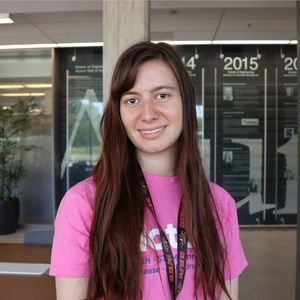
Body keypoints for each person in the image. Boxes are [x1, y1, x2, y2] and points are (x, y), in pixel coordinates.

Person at [50, 41, 248, 300]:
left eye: (162, 95)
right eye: (132, 100)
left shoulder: (219, 204)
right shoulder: (83, 204)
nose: (148, 113)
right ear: (118, 112)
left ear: (186, 102)